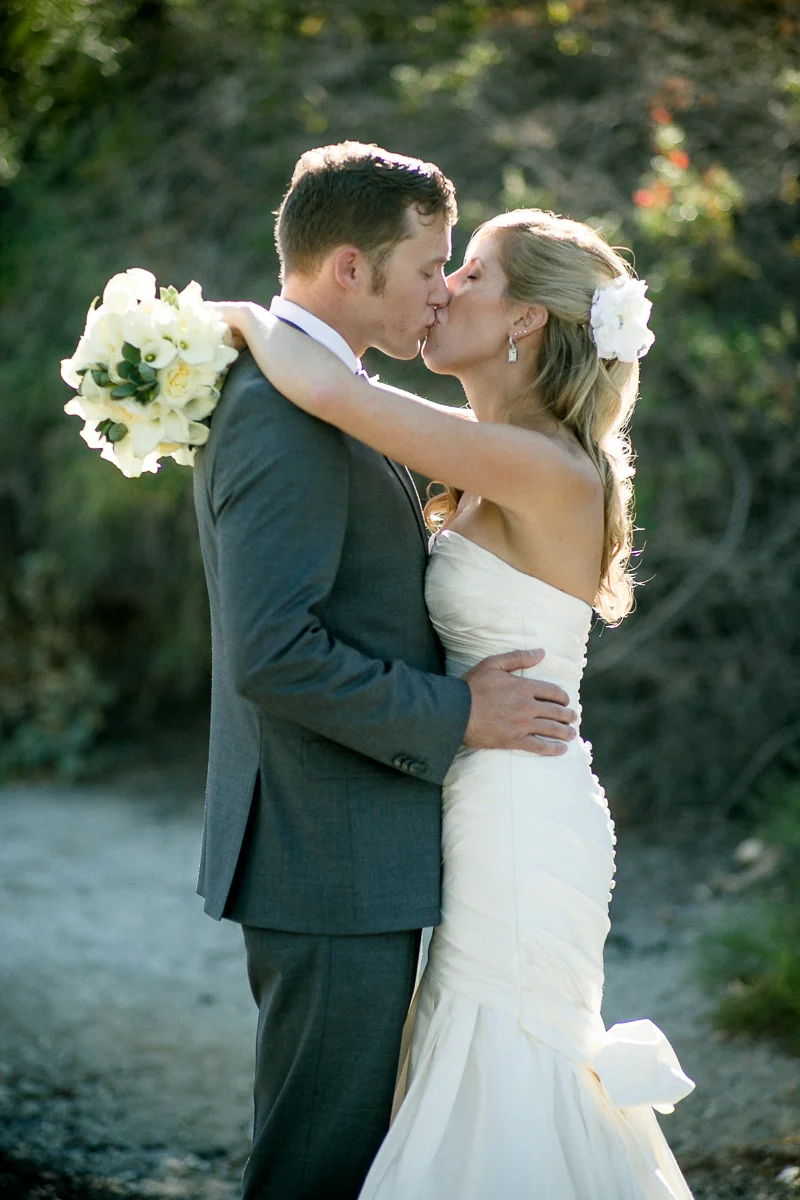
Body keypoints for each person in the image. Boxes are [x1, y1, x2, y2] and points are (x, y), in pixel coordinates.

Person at [216, 206, 697, 1199]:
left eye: (468, 274)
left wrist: (226, 319)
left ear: (524, 319)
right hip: (482, 790)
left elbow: (318, 383)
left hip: (519, 808)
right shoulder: (486, 455)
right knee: (461, 1055)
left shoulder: (536, 463)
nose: (442, 290)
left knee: (501, 1062)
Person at [192, 143, 577, 1200]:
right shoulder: (284, 417)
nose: (439, 292)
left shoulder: (323, 394)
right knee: (315, 1163)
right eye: (426, 268)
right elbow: (274, 653)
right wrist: (457, 712)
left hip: (357, 846)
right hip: (327, 857)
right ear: (353, 269)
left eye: (459, 273)